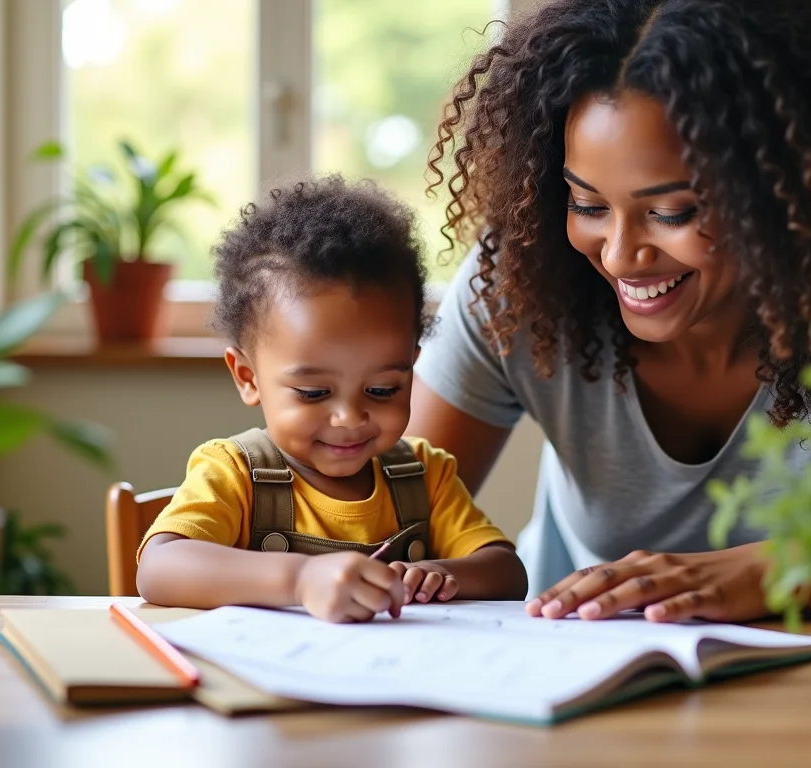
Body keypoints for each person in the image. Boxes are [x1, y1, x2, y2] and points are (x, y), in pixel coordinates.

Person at [408, 0, 811, 623]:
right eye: (588, 205)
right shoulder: (521, 278)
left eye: (674, 212)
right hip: (585, 666)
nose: (622, 254)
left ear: (789, 191)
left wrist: (787, 569)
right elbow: (378, 510)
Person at [136, 176, 527, 623]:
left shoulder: (427, 476)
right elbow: (159, 568)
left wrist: (440, 574)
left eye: (382, 390)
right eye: (314, 393)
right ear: (247, 377)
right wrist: (300, 579)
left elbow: (507, 572)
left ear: (411, 369)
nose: (349, 417)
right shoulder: (234, 474)